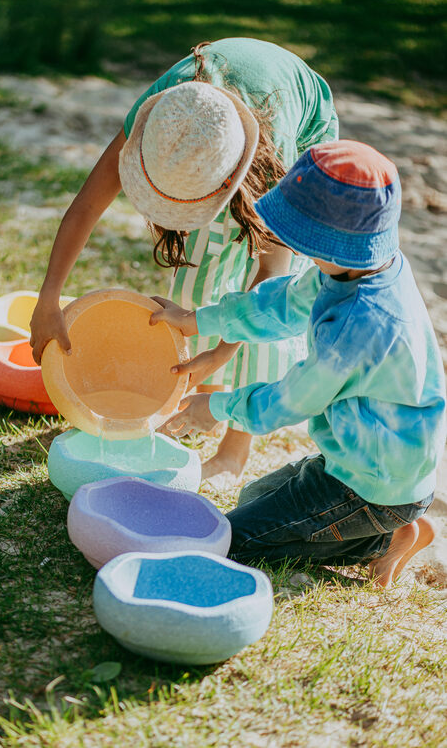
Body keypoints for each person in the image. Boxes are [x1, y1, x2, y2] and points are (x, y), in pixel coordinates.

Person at [29, 38, 339, 483]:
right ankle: (202, 392)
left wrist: (221, 351)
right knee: (193, 281)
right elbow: (84, 207)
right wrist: (48, 297)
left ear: (228, 179)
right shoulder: (161, 120)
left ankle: (235, 447)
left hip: (298, 125)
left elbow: (271, 280)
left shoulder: (276, 167)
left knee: (258, 306)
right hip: (212, 133)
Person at [151, 140, 445, 588]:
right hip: (361, 461)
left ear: (336, 243)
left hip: (372, 485)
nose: (295, 246)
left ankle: (383, 538)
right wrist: (196, 322)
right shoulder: (358, 267)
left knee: (233, 541)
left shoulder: (359, 324)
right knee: (253, 497)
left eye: (305, 239)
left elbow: (290, 400)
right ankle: (390, 528)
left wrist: (213, 408)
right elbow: (282, 304)